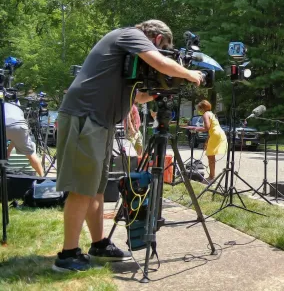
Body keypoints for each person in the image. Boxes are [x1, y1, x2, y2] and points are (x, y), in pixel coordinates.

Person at [53, 20, 204, 273]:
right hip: (85, 117)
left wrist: (157, 93)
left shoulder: (125, 58)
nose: (162, 52)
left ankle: (98, 244)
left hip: (99, 121)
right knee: (81, 188)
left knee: (96, 189)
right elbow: (159, 61)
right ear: (156, 39)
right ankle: (68, 254)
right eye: (163, 47)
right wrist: (189, 74)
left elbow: (136, 96)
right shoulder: (129, 35)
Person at [183, 100, 227, 180]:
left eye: (199, 109)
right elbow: (212, 128)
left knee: (210, 156)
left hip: (215, 134)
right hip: (219, 133)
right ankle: (212, 175)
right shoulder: (212, 114)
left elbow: (206, 127)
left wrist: (194, 128)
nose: (199, 111)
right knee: (211, 155)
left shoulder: (205, 114)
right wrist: (207, 141)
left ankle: (211, 177)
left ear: (203, 108)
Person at [3, 102, 45, 177]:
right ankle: (43, 177)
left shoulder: (3, 104)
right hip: (21, 126)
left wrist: (8, 151)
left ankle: (2, 172)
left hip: (4, 125)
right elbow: (15, 133)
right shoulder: (18, 110)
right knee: (31, 154)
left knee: (1, 154)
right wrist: (8, 150)